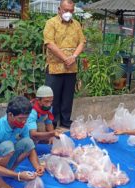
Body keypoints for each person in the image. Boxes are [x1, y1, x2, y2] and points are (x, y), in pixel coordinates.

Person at [43, 0, 86, 128]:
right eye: (65, 10)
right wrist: (65, 58)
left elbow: (82, 42)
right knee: (52, 97)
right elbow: (49, 43)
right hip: (54, 68)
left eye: (71, 11)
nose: (68, 13)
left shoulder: (77, 24)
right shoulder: (51, 23)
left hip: (71, 68)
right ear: (59, 9)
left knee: (68, 97)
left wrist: (73, 56)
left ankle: (66, 121)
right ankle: (52, 122)